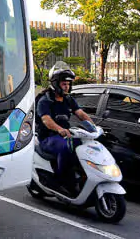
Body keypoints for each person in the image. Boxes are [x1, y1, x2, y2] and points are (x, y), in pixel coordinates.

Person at [36, 61, 94, 195]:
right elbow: (46, 120)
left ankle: (81, 176)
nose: (67, 87)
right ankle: (62, 180)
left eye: (68, 84)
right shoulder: (45, 100)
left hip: (67, 135)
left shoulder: (68, 99)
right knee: (66, 147)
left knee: (84, 146)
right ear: (56, 84)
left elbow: (81, 114)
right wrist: (59, 129)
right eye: (64, 84)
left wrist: (94, 127)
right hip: (49, 137)